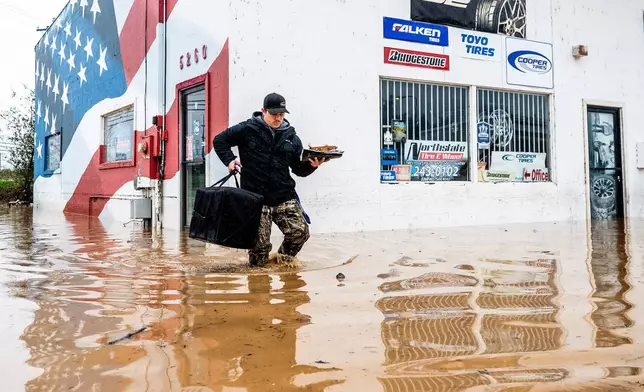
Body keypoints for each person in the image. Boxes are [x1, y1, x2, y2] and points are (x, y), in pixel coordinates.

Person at [213, 93, 328, 267]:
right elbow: (219, 140)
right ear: (263, 111)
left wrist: (312, 165)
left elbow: (298, 170)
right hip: (255, 198)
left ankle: (281, 262)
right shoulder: (247, 129)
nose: (278, 118)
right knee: (259, 248)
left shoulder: (292, 137)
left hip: (284, 196)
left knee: (300, 232)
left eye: (282, 114)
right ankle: (259, 286)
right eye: (274, 114)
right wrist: (229, 160)